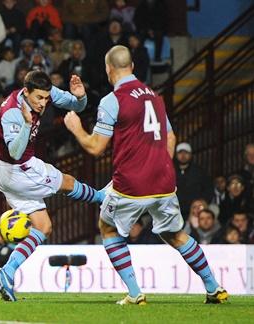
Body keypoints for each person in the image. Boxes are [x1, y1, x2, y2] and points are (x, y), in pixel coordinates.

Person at [63, 45, 227, 304]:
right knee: (175, 235)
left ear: (108, 69)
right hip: (164, 181)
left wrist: (76, 128)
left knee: (107, 228)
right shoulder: (154, 96)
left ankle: (134, 293)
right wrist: (157, 165)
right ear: (133, 67)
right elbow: (170, 137)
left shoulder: (112, 100)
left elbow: (95, 146)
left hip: (132, 185)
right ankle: (214, 287)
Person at [0, 71, 105, 302]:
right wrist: (26, 124)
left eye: (45, 98)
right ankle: (105, 199)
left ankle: (7, 271)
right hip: (18, 168)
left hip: (7, 171)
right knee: (67, 182)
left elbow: (77, 106)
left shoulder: (45, 91)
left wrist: (81, 97)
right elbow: (15, 151)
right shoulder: (12, 111)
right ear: (26, 92)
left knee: (43, 227)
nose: (43, 103)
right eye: (38, 99)